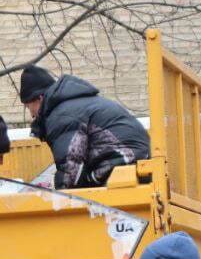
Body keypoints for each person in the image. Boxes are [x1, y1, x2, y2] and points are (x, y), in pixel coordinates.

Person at [19, 65, 150, 189]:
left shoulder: (62, 115)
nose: (31, 114)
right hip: (139, 165)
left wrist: (58, 204)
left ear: (40, 98)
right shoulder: (78, 105)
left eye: (28, 106)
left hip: (123, 166)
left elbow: (71, 172)